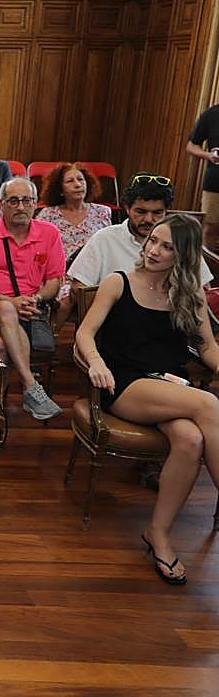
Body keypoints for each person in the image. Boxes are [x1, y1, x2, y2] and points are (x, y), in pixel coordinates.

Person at [76, 214, 219, 584]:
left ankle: (158, 533)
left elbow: (207, 347)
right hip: (125, 382)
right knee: (209, 405)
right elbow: (85, 333)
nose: (154, 250)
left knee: (191, 439)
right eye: (153, 240)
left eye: (166, 247)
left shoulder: (189, 294)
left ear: (183, 256)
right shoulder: (119, 282)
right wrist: (95, 362)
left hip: (171, 386)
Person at [0, 177, 65, 422]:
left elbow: (54, 281)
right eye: (13, 201)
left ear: (35, 204)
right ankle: (29, 386)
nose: (20, 206)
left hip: (29, 309)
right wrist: (10, 301)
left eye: (26, 200)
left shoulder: (49, 233)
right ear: (1, 204)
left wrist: (35, 299)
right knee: (6, 311)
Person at [70, 173, 212, 291]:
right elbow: (78, 289)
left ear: (166, 211)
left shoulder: (181, 240)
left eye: (157, 213)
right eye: (141, 211)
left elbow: (204, 289)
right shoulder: (105, 238)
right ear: (127, 208)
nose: (149, 219)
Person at [36, 163, 113, 314]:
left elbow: (108, 246)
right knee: (66, 297)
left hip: (94, 274)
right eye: (70, 181)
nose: (77, 184)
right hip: (60, 276)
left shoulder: (102, 212)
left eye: (80, 179)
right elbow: (39, 250)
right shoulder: (48, 215)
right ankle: (54, 329)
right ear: (60, 190)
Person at [185, 102, 219, 251]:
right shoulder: (211, 114)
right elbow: (191, 145)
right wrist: (208, 155)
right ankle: (207, 264)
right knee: (210, 228)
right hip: (215, 181)